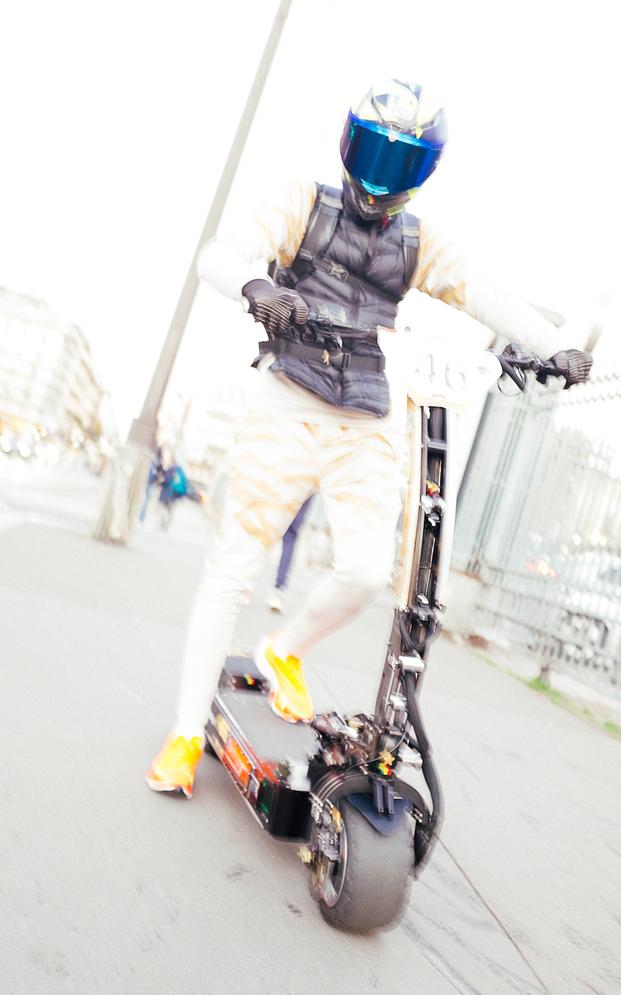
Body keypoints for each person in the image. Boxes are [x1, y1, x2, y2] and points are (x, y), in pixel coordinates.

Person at [145, 79, 592, 797]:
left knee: (362, 570)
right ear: (349, 147)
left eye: (403, 163)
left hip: (369, 412)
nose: (382, 179)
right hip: (288, 398)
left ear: (422, 175)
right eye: (375, 153)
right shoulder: (304, 202)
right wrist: (258, 290)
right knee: (232, 567)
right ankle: (185, 731)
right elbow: (220, 256)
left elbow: (484, 292)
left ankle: (281, 650)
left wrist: (555, 345)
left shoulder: (420, 244)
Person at [266, 494, 315, 613]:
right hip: (300, 484)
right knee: (282, 532)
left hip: (303, 486)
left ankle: (278, 589)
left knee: (286, 533)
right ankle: (277, 590)